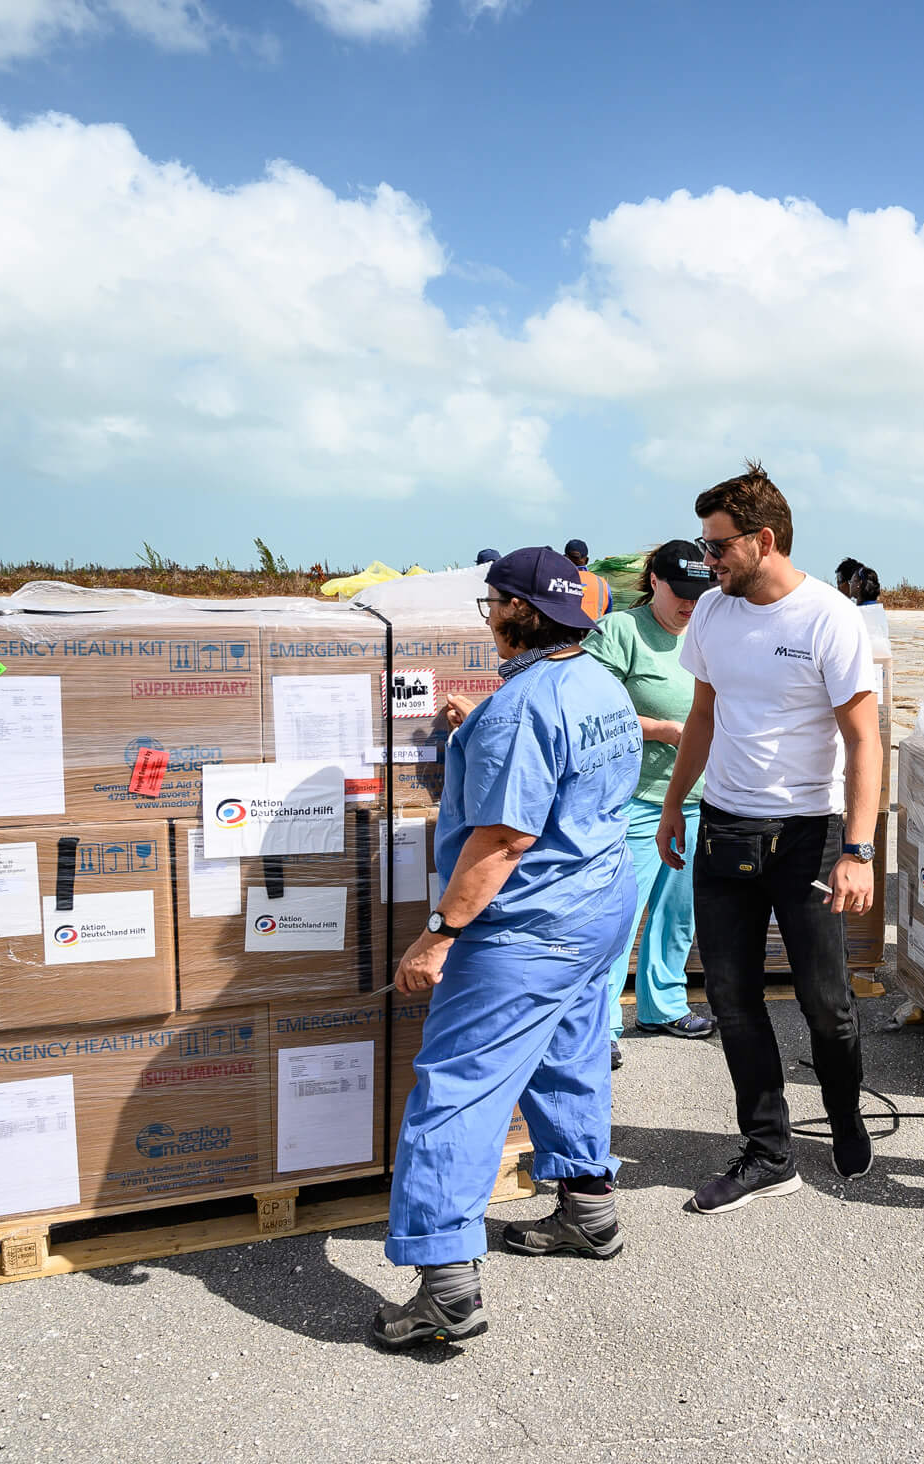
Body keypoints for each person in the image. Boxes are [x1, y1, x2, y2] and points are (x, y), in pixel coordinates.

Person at [375, 547, 642, 1350]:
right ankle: (590, 1211)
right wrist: (474, 735)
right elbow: (560, 773)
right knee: (571, 1051)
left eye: (492, 603)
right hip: (597, 904)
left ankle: (446, 1286)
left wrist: (439, 934)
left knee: (458, 1087)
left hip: (528, 926)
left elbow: (504, 836)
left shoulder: (523, 709)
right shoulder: (597, 682)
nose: (488, 615)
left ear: (522, 613)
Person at [659, 462, 884, 1213]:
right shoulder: (716, 616)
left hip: (809, 836)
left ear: (763, 539)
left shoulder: (828, 617)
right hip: (725, 826)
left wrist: (858, 850)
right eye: (702, 544)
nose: (706, 559)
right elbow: (702, 717)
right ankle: (768, 1150)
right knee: (731, 996)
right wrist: (672, 807)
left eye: (717, 545)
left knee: (826, 1002)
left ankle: (846, 1115)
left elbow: (865, 741)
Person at [584, 540, 722, 1065]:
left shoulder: (711, 629)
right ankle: (602, 1025)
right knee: (621, 913)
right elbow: (594, 708)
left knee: (678, 911)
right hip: (638, 799)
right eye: (681, 593)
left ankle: (662, 1006)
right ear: (654, 583)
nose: (690, 604)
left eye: (699, 593)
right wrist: (665, 730)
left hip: (701, 798)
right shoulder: (622, 633)